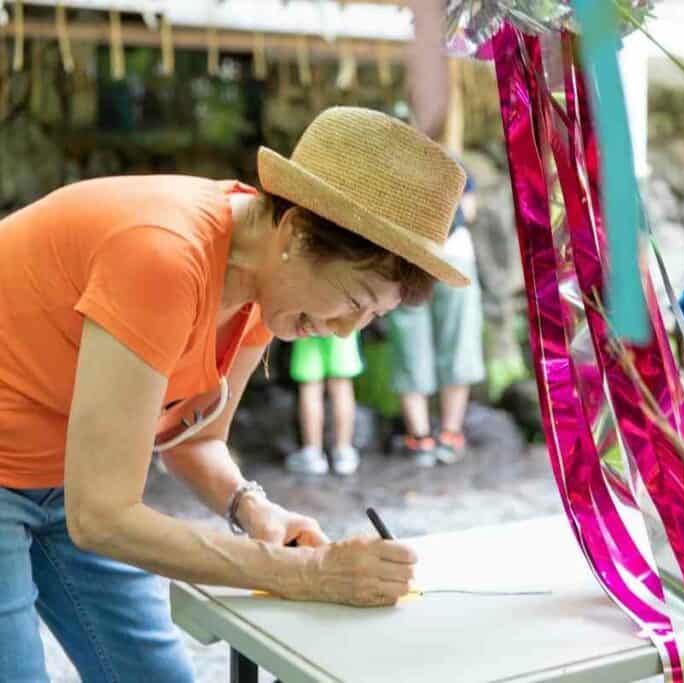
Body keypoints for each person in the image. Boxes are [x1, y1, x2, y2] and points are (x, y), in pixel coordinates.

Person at [0, 107, 469, 681]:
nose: (347, 330)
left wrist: (256, 511)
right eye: (352, 300)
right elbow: (102, 516)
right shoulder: (164, 255)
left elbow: (194, 443)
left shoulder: (265, 285)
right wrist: (311, 575)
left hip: (67, 479)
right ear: (296, 232)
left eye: (370, 316)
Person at [388, 168, 485, 466]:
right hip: (454, 254)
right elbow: (468, 212)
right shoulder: (453, 163)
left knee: (409, 339)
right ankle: (450, 434)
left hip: (408, 253)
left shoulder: (387, 164)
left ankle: (420, 437)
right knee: (458, 338)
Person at [287, 333, 364, 476]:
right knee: (341, 385)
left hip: (308, 325)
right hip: (343, 322)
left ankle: (312, 453)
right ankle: (343, 451)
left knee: (310, 385)